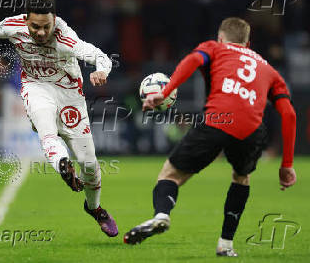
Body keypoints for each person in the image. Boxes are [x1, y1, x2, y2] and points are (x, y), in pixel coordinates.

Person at [123, 17, 297, 256]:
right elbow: (289, 114)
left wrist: (164, 92)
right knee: (241, 177)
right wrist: (286, 165)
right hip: (251, 132)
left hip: (218, 121)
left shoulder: (215, 48)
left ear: (221, 37)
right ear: (247, 43)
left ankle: (162, 215)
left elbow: (193, 60)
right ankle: (226, 244)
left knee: (171, 175)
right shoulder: (269, 69)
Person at [0, 0, 118, 237]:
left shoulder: (65, 38)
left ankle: (94, 208)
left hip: (69, 95)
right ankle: (63, 165)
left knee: (90, 164)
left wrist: (101, 71)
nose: (41, 32)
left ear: (54, 21)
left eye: (46, 27)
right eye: (35, 27)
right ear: (26, 20)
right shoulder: (14, 26)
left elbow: (98, 55)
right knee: (46, 130)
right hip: (36, 87)